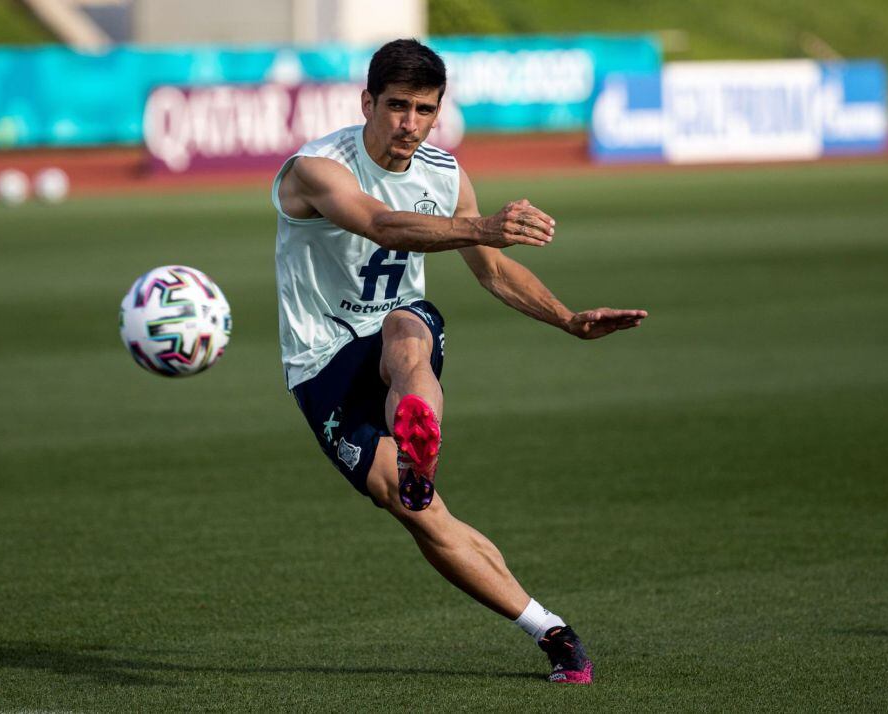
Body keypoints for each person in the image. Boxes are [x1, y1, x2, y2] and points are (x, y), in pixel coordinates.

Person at [272, 38, 646, 684]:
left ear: (438, 111)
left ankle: (421, 438)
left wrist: (567, 319)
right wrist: (481, 227)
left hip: (396, 333)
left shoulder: (444, 175)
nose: (408, 124)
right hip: (320, 362)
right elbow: (380, 224)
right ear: (367, 101)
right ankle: (551, 630)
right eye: (395, 107)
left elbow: (494, 272)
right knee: (417, 511)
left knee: (404, 330)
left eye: (423, 110)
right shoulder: (315, 169)